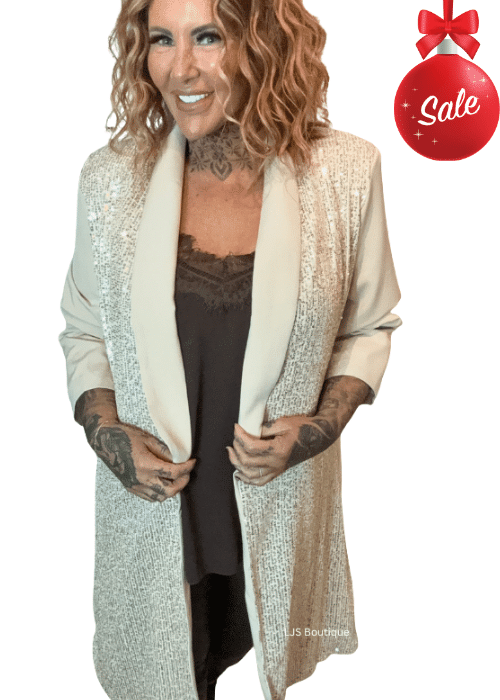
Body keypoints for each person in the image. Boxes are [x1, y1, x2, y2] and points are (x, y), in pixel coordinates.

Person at [58, 0, 403, 698]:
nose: (180, 68)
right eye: (162, 39)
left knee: (264, 655)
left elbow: (368, 326)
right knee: (165, 674)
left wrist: (318, 428)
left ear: (265, 42)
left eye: (209, 37)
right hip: (157, 520)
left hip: (278, 514)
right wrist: (107, 434)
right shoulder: (110, 178)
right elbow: (84, 327)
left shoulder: (345, 172)